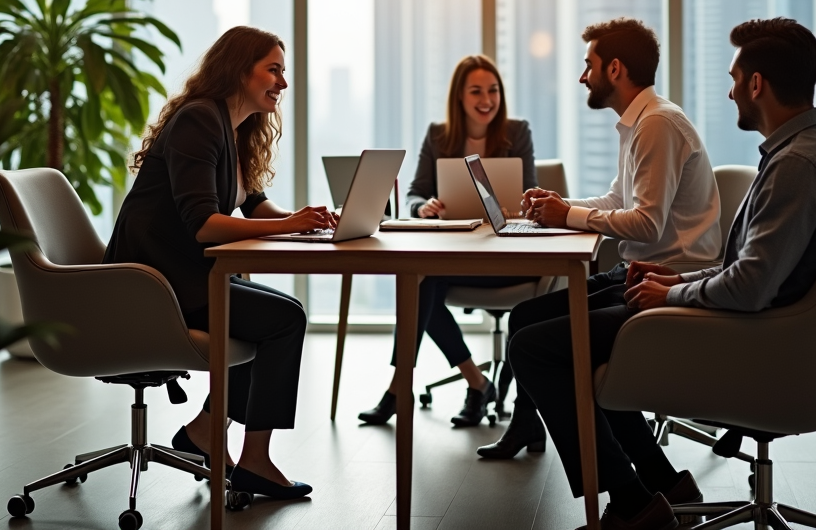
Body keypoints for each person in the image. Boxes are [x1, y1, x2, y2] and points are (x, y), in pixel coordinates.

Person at [509, 18, 816, 530]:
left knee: (536, 346)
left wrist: (674, 292)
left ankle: (636, 504)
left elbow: (748, 286)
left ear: (756, 84)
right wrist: (677, 281)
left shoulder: (799, 168)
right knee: (553, 334)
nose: (728, 92)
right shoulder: (815, 155)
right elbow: (750, 272)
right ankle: (657, 482)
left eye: (733, 78)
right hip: (767, 328)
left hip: (754, 341)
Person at [103, 26, 337, 501]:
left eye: (282, 71)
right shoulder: (198, 120)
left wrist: (305, 220)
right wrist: (289, 225)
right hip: (152, 287)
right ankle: (254, 461)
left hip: (181, 277)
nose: (282, 83)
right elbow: (205, 225)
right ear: (239, 70)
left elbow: (254, 206)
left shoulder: (231, 127)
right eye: (273, 70)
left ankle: (205, 431)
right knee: (284, 319)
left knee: (277, 314)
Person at [478, 17, 721, 461]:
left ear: (615, 69)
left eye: (588, 64)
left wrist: (567, 214)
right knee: (524, 318)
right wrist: (559, 205)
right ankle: (528, 429)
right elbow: (617, 198)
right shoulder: (642, 121)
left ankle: (633, 492)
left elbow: (646, 223)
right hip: (636, 272)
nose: (581, 75)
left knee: (535, 344)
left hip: (664, 280)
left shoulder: (657, 125)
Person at [358, 54, 539, 428]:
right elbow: (414, 192)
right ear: (459, 96)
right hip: (455, 255)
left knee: (423, 283)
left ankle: (400, 389)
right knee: (418, 281)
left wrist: (518, 205)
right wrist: (424, 206)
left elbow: (530, 191)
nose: (486, 99)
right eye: (476, 91)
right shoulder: (439, 135)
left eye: (493, 90)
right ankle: (475, 381)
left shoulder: (517, 132)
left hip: (507, 256)